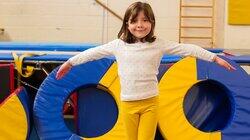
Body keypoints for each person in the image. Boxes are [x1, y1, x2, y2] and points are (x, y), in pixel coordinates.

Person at [56, 1, 235, 140]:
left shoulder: (158, 44)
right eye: (134, 21)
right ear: (127, 24)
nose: (139, 25)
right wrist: (70, 62)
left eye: (145, 20)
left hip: (150, 103)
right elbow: (92, 53)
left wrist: (214, 57)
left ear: (152, 23)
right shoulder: (118, 45)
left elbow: (186, 48)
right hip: (127, 104)